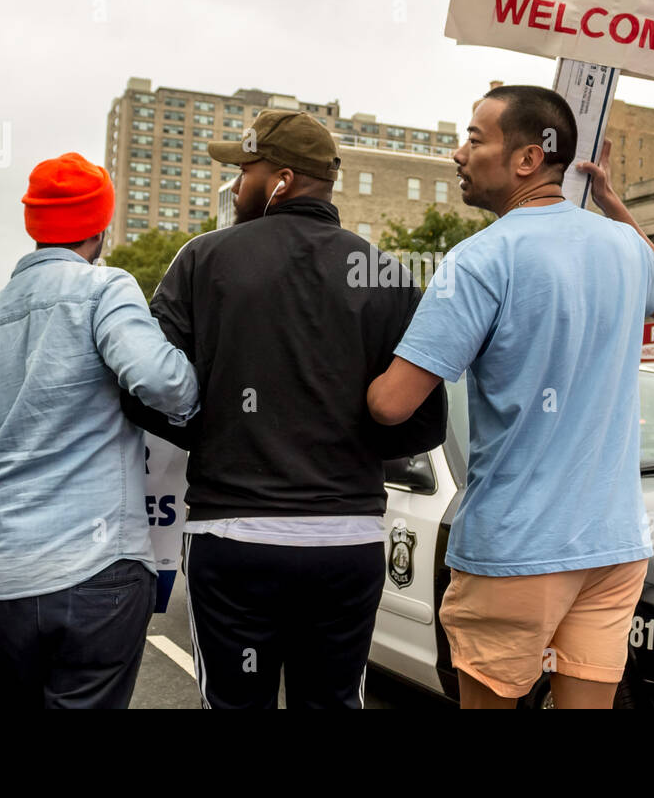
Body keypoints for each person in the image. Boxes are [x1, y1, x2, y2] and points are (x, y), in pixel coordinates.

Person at [366, 85, 654, 709]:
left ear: (528, 159)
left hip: (516, 548)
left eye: (475, 138)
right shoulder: (620, 247)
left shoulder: (479, 259)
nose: (458, 154)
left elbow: (391, 405)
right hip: (613, 546)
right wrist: (612, 201)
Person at [123, 109, 447, 709]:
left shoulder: (203, 260)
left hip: (233, 534)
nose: (235, 183)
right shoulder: (386, 273)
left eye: (245, 169)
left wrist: (214, 430)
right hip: (346, 539)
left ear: (282, 179)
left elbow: (144, 387)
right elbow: (422, 423)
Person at [0, 152, 201, 709]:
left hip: (2, 574)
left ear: (33, 227)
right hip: (97, 569)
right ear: (101, 227)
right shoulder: (105, 289)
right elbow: (163, 382)